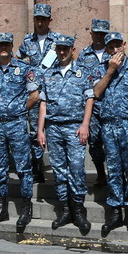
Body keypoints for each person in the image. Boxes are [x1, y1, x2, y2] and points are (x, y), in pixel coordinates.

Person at [94, 32, 128, 236]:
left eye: (118, 46)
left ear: (124, 45)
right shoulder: (102, 69)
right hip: (109, 126)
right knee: (114, 169)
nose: (115, 50)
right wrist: (110, 71)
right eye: (111, 47)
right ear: (106, 49)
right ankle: (115, 211)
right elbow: (97, 92)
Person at [38, 34, 94, 234]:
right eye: (59, 49)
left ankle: (79, 210)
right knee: (59, 170)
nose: (62, 52)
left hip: (74, 127)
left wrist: (85, 124)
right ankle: (65, 209)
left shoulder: (83, 73)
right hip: (53, 128)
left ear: (72, 50)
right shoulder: (48, 74)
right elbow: (43, 103)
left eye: (65, 49)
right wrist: (40, 129)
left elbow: (89, 99)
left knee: (77, 169)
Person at [0, 32, 40, 229]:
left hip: (16, 123)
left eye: (6, 45)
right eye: (0, 45)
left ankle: (26, 209)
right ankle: (1, 209)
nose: (3, 48)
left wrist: (18, 110)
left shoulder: (24, 69)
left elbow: (34, 95)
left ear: (11, 46)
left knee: (23, 168)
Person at [17, 3, 61, 183]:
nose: (40, 22)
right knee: (35, 131)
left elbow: (69, 60)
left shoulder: (58, 40)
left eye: (43, 19)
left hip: (56, 94)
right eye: (37, 19)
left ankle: (60, 170)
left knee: (57, 131)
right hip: (35, 94)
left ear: (50, 20)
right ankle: (38, 167)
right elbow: (19, 62)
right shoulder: (27, 41)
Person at [76, 18, 111, 186]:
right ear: (91, 33)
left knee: (112, 143)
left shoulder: (113, 52)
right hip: (92, 106)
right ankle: (100, 174)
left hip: (112, 105)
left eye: (103, 33)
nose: (99, 36)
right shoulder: (84, 55)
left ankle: (115, 175)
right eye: (97, 33)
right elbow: (80, 80)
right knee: (95, 143)